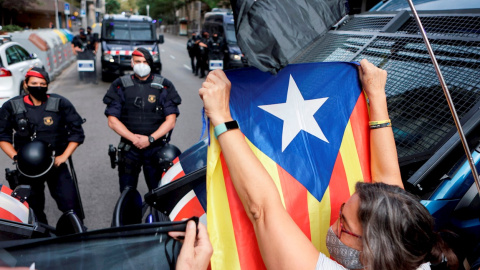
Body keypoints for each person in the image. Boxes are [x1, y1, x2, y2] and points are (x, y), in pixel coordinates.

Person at [198, 60, 458, 270]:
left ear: (371, 252)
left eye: (343, 224)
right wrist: (377, 96)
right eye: (342, 210)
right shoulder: (413, 257)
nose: (333, 223)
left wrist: (222, 116)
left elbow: (263, 209)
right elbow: (390, 183)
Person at [0, 67, 85, 225]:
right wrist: (16, 157)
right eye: (34, 83)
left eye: (42, 83)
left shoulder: (59, 103)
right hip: (27, 170)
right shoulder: (12, 106)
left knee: (71, 206)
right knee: (32, 210)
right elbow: (2, 136)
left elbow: (77, 133)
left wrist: (64, 156)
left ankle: (74, 236)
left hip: (56, 165)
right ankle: (43, 239)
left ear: (47, 85)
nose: (38, 86)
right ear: (26, 84)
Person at [103, 47, 181, 194]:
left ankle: (157, 217)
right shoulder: (120, 85)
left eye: (145, 62)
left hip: (156, 148)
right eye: (138, 61)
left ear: (150, 64)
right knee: (127, 193)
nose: (141, 64)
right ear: (131, 63)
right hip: (129, 149)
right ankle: (129, 216)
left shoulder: (164, 86)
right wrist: (134, 139)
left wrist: (150, 139)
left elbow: (171, 120)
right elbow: (112, 120)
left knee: (159, 192)